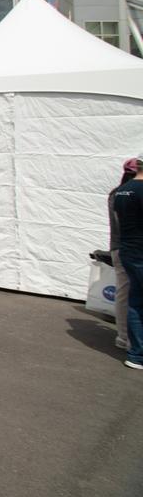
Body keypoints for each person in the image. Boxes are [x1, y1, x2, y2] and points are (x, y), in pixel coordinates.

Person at [112, 154, 143, 370]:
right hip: (137, 251)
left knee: (134, 301)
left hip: (127, 249)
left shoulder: (121, 192)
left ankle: (135, 353)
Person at [108, 158, 138, 351]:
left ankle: (124, 335)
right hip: (127, 247)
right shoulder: (125, 194)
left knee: (124, 292)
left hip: (120, 246)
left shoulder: (117, 193)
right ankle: (126, 337)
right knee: (128, 294)